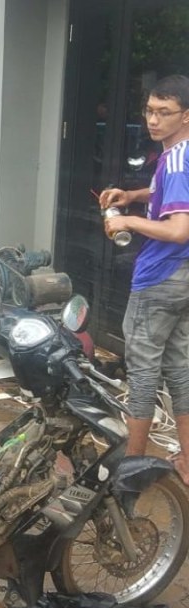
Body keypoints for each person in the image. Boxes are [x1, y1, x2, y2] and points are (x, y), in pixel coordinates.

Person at [100, 74, 189, 483]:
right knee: (180, 369)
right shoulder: (179, 154)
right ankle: (186, 461)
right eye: (149, 110)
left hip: (159, 278)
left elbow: (178, 229)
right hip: (184, 279)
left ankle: (132, 467)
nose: (153, 120)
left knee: (143, 371)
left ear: (185, 116)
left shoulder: (176, 159)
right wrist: (133, 196)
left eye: (164, 112)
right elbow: (168, 195)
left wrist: (127, 220)